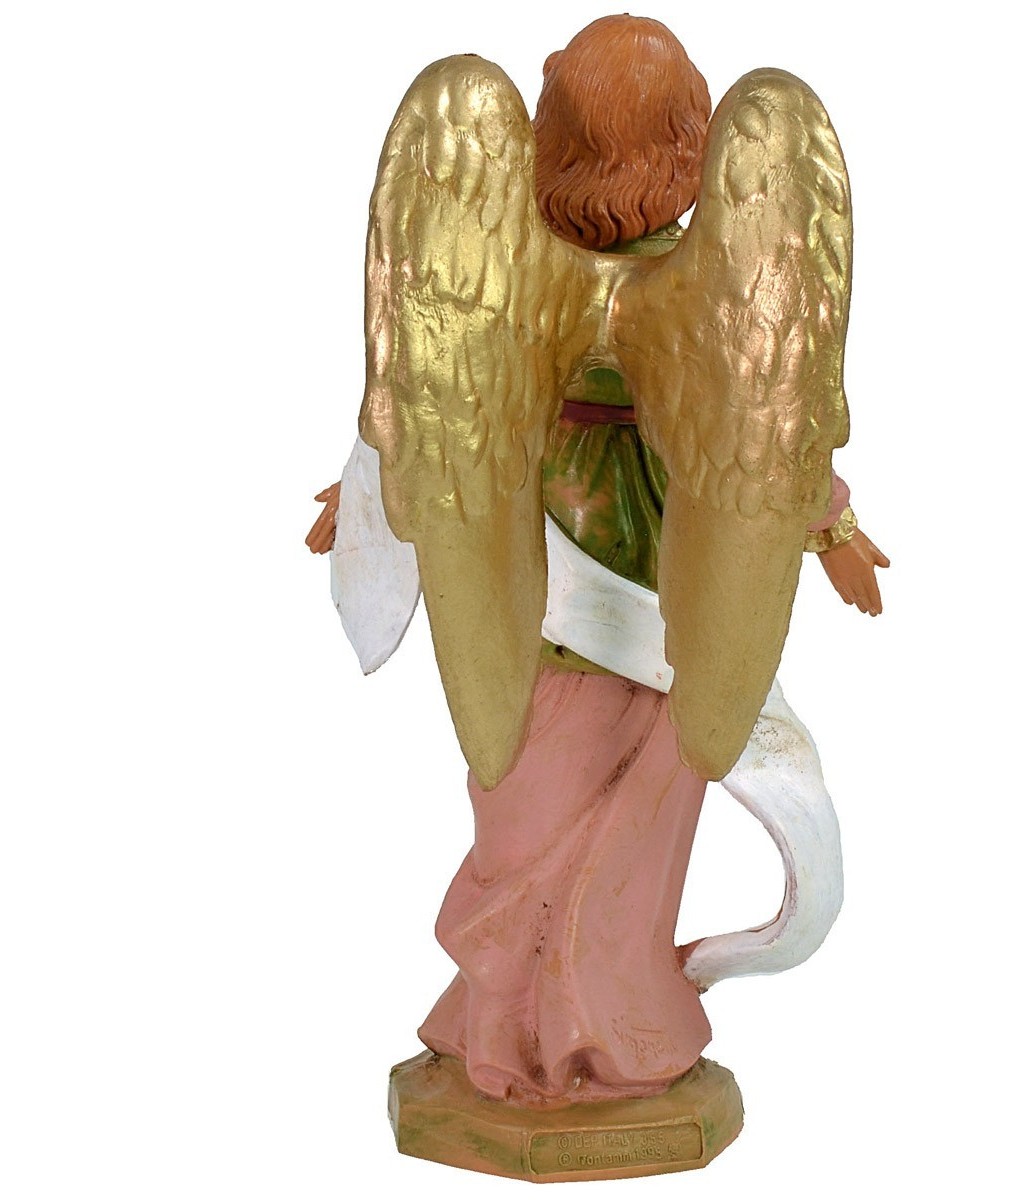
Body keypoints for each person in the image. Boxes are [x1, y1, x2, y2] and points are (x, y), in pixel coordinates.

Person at [307, 15, 887, 1104]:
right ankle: (550, 1032)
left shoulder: (504, 266)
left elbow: (438, 395)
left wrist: (377, 492)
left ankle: (583, 1036)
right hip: (632, 583)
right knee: (582, 827)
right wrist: (831, 530)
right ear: (690, 138)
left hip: (573, 590)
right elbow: (767, 428)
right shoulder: (711, 277)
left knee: (552, 821)